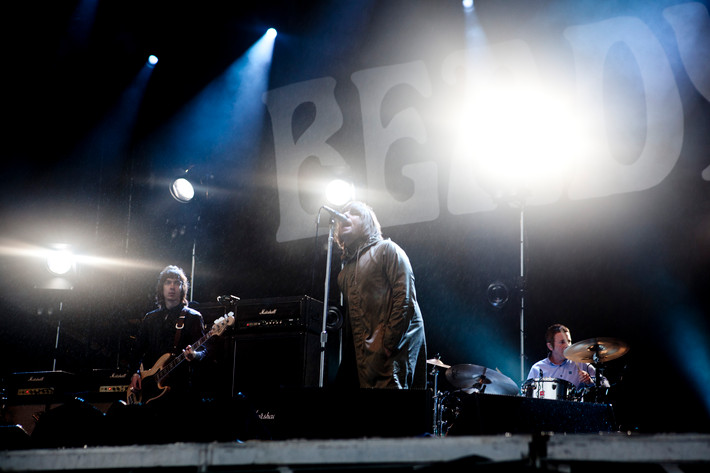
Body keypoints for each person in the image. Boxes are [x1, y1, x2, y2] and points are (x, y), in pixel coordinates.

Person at [334, 200, 427, 389]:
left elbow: (405, 298)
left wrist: (388, 344)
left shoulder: (387, 250)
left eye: (353, 213)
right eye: (343, 213)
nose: (345, 216)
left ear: (367, 221)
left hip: (392, 350)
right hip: (366, 358)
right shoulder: (344, 273)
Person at [128, 265, 207, 405]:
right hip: (150, 389)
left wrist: (194, 355)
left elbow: (204, 351)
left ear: (182, 288)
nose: (172, 287)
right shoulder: (150, 318)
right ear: (162, 287)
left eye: (177, 283)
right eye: (168, 282)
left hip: (180, 390)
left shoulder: (192, 317)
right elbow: (137, 351)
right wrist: (135, 373)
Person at [527, 324, 608, 389]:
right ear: (550, 346)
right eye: (562, 342)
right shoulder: (537, 368)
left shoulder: (580, 363)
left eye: (569, 341)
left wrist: (590, 381)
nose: (567, 346)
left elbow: (606, 384)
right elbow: (527, 396)